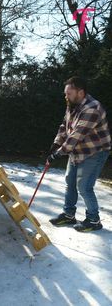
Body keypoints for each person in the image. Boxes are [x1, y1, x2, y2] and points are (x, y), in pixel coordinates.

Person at [47, 76, 111, 232]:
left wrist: (58, 154)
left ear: (80, 92)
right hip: (78, 150)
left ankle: (94, 220)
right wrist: (56, 143)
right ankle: (69, 215)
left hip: (94, 151)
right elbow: (65, 125)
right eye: (65, 93)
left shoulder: (92, 108)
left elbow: (75, 136)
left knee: (84, 186)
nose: (65, 96)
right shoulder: (73, 104)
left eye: (69, 93)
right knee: (70, 181)